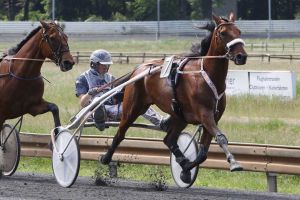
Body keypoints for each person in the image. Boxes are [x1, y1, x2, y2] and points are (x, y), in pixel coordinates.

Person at [75, 49, 168, 131]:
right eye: (103, 65)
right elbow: (83, 103)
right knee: (96, 101)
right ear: (94, 64)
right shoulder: (83, 78)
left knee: (139, 102)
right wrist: (90, 93)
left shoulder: (110, 78)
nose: (106, 68)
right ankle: (99, 116)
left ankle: (161, 123)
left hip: (113, 110)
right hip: (92, 112)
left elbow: (116, 98)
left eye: (107, 65)